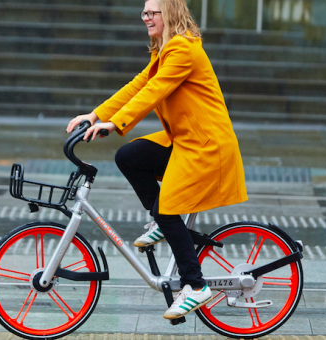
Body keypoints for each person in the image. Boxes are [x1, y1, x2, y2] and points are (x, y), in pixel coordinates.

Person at [66, 0, 247, 320]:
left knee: (167, 209)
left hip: (206, 148)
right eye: (144, 13)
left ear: (171, 13)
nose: (146, 17)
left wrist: (115, 124)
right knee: (130, 156)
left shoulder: (183, 50)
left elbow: (155, 92)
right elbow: (140, 85)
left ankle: (196, 285)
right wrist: (96, 114)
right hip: (185, 142)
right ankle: (162, 221)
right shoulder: (164, 50)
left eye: (152, 12)